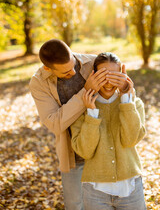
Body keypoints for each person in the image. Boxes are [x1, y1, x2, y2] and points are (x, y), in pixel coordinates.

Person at [29, 40, 130, 210]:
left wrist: (127, 86)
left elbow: (121, 90)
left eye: (74, 65)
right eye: (67, 72)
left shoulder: (92, 63)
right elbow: (54, 123)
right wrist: (86, 91)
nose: (74, 71)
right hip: (73, 155)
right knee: (75, 205)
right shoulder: (39, 83)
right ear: (48, 68)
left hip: (105, 149)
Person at [71, 52, 146, 210]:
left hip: (131, 188)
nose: (109, 83)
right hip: (95, 191)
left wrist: (126, 99)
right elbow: (85, 151)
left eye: (114, 76)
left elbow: (130, 140)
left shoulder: (134, 104)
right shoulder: (81, 109)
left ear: (122, 75)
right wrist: (91, 113)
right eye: (104, 76)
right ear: (93, 75)